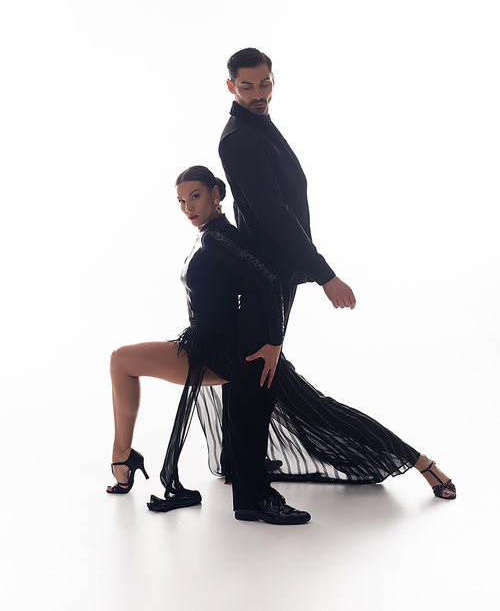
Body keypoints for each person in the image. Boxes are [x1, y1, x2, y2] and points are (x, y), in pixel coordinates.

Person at [107, 166, 455, 524]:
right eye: (181, 201)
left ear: (216, 193)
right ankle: (124, 459)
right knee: (319, 409)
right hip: (209, 343)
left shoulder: (218, 236)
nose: (187, 208)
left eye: (195, 196)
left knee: (324, 412)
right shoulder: (210, 234)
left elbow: (271, 282)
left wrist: (274, 343)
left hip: (221, 352)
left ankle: (423, 463)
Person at [213, 47, 456, 519]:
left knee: (260, 380)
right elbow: (272, 213)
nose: (259, 94)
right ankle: (254, 494)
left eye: (266, 84)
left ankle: (243, 468)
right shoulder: (239, 138)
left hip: (273, 273)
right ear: (231, 87)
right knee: (264, 382)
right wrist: (324, 273)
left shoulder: (258, 125)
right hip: (265, 277)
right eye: (248, 87)